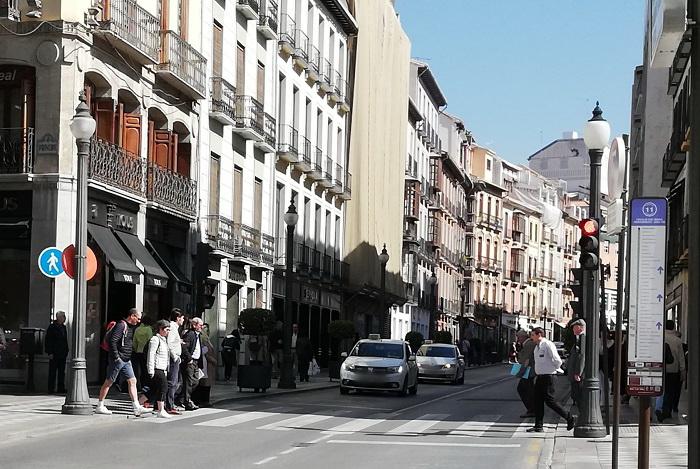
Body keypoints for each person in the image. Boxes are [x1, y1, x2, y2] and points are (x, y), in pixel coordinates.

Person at [95, 308, 150, 416]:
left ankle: (136, 406)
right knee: (109, 382)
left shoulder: (129, 327)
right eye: (137, 318)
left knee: (132, 381)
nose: (138, 321)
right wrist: (116, 357)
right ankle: (100, 405)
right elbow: (113, 341)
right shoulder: (121, 325)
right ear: (132, 316)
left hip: (125, 359)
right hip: (119, 359)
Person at [527, 327, 576, 433]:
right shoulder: (537, 347)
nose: (531, 337)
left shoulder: (548, 344)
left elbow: (557, 360)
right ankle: (538, 425)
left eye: (532, 335)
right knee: (537, 401)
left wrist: (556, 369)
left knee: (550, 401)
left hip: (549, 377)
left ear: (539, 334)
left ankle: (569, 417)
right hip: (540, 377)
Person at [656, 320, 686, 423]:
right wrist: (682, 370)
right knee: (670, 391)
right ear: (673, 327)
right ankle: (666, 411)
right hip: (673, 369)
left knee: (660, 389)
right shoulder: (677, 340)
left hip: (660, 368)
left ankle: (658, 408)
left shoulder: (660, 337)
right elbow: (681, 357)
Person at [147, 320, 171, 419]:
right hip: (157, 367)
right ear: (160, 329)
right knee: (163, 387)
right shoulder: (155, 339)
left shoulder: (163, 340)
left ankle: (138, 405)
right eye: (166, 329)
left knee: (153, 389)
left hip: (162, 367)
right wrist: (150, 369)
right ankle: (161, 410)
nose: (168, 331)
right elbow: (151, 354)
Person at [180, 317, 204, 411]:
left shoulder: (198, 335)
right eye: (200, 325)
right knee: (189, 382)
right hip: (190, 361)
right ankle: (187, 401)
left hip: (196, 362)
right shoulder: (190, 334)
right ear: (194, 325)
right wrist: (189, 358)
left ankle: (183, 398)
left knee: (195, 381)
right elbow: (185, 347)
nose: (201, 327)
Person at [192, 324, 217, 407]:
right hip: (205, 364)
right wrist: (212, 359)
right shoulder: (201, 339)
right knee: (203, 383)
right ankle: (202, 400)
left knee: (207, 383)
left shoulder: (207, 340)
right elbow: (203, 352)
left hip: (208, 365)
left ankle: (205, 400)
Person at [166, 309, 185, 414]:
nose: (183, 320)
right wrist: (175, 357)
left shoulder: (174, 328)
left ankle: (167, 404)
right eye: (182, 318)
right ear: (178, 318)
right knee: (173, 382)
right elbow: (169, 343)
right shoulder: (173, 328)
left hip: (175, 357)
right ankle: (169, 405)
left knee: (175, 382)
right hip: (174, 358)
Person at [45, 311, 69, 394]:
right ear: (59, 317)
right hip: (54, 353)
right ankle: (50, 388)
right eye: (63, 316)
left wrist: (66, 350)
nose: (65, 318)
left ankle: (60, 387)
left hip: (62, 352)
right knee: (52, 371)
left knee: (61, 372)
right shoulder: (52, 327)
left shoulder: (64, 327)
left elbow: (65, 340)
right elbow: (48, 340)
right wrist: (50, 352)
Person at [515, 329, 536, 418]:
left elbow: (526, 360)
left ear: (523, 337)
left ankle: (532, 409)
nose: (518, 339)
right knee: (527, 390)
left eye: (518, 337)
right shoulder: (527, 344)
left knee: (523, 389)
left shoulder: (528, 344)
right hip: (529, 371)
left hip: (529, 371)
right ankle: (532, 409)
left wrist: (519, 373)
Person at [132, 316, 154, 392]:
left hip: (138, 351)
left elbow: (134, 342)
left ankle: (140, 385)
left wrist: (136, 349)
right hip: (146, 352)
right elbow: (151, 341)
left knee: (140, 369)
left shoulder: (137, 329)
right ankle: (146, 385)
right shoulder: (149, 330)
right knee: (147, 370)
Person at [567, 318, 586, 409]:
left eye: (574, 327)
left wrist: (578, 372)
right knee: (576, 395)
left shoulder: (582, 339)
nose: (573, 330)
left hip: (577, 375)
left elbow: (581, 356)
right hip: (575, 373)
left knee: (578, 395)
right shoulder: (579, 339)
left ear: (580, 328)